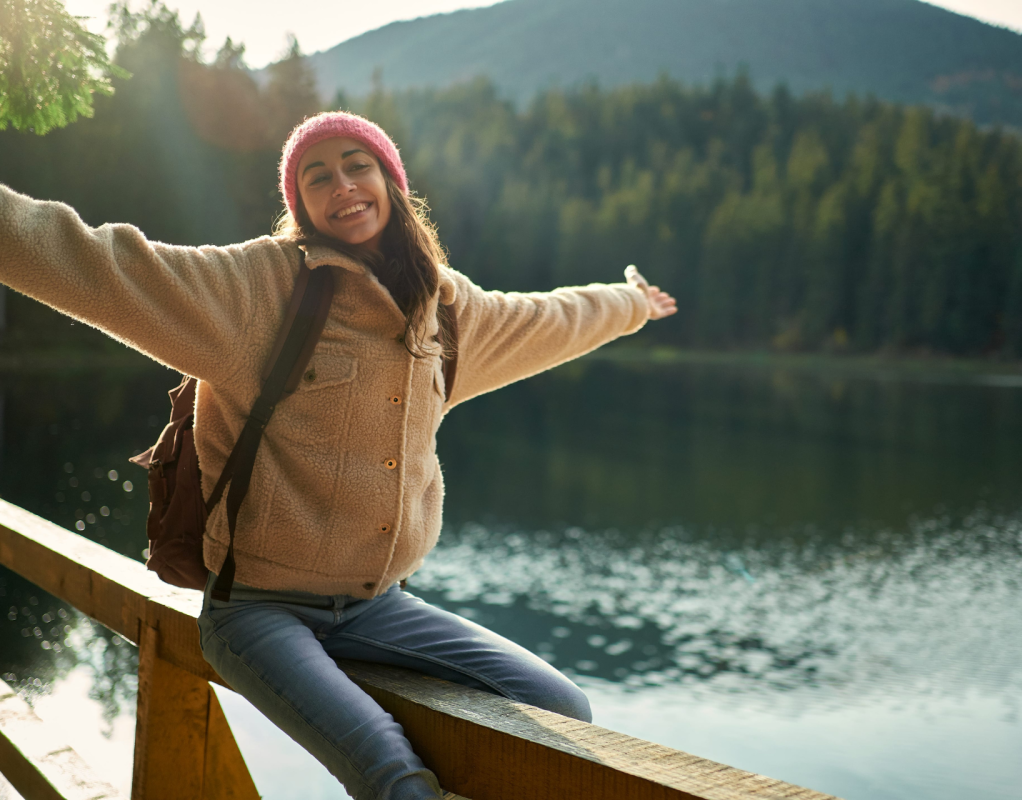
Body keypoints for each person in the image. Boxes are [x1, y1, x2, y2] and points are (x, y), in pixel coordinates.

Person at [0, 111, 677, 799]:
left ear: (391, 180)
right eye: (316, 176)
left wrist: (629, 302)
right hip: (255, 611)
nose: (342, 185)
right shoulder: (262, 289)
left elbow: (548, 318)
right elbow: (94, 261)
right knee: (395, 774)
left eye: (358, 164)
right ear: (301, 206)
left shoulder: (444, 311)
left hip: (378, 608)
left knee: (562, 716)